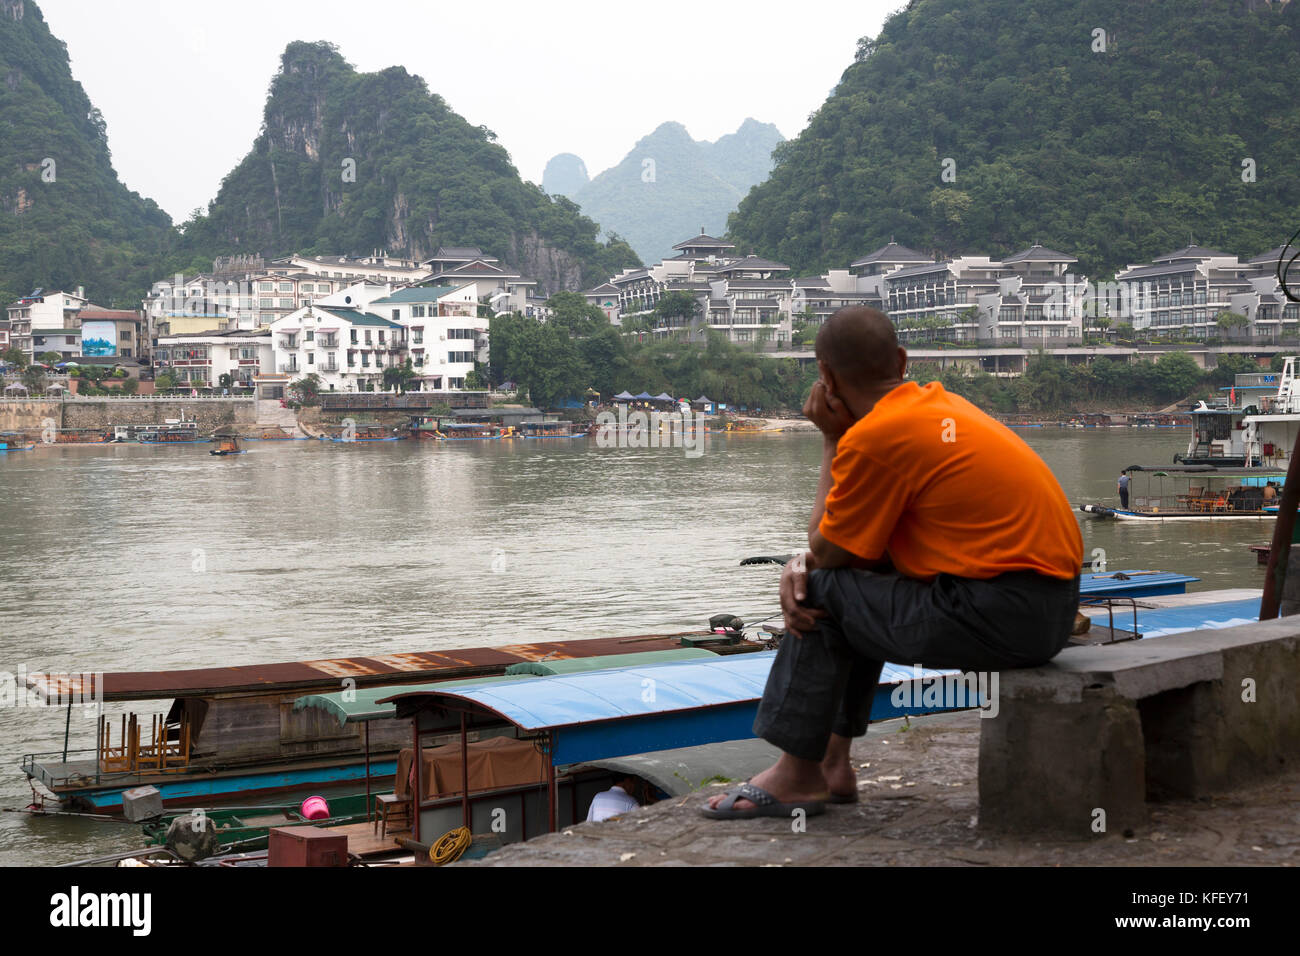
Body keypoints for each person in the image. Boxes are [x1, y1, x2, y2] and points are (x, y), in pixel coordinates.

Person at [703, 306, 1083, 820]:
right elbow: (861, 555)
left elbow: (828, 551)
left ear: (826, 377)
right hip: (1049, 613)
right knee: (851, 583)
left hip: (997, 614)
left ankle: (797, 774)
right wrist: (813, 560)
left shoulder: (874, 436)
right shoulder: (940, 409)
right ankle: (832, 764)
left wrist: (832, 440)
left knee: (820, 590)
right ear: (902, 361)